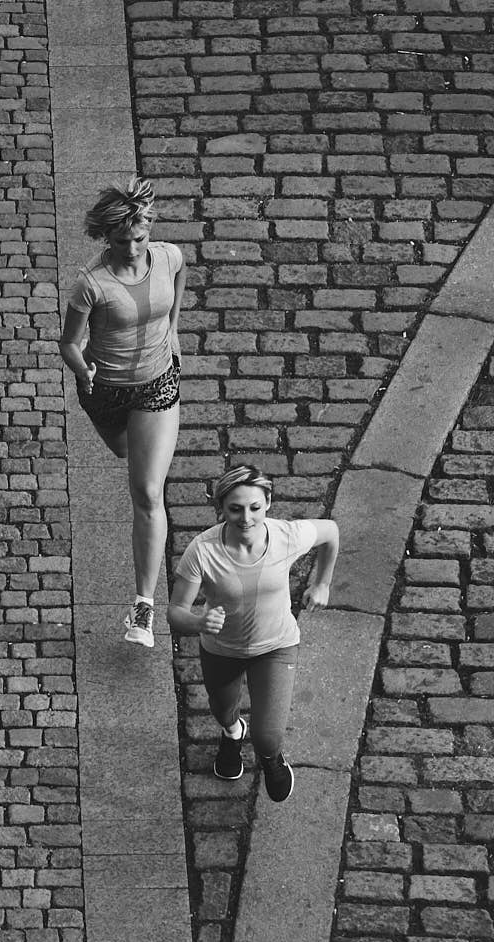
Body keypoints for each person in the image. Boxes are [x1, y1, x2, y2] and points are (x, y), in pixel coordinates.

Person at [60, 177, 186, 649]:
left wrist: (172, 330)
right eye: (121, 241)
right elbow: (69, 343)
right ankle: (150, 449)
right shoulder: (92, 285)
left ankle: (143, 606)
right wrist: (83, 369)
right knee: (125, 454)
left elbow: (179, 274)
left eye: (140, 237)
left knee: (147, 489)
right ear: (105, 239)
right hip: (104, 390)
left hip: (156, 384)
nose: (132, 248)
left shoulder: (168, 257)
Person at [168, 464, 339, 804]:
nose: (246, 518)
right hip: (221, 650)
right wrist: (200, 623)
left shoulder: (286, 536)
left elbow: (331, 531)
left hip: (276, 646)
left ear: (269, 503)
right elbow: (176, 612)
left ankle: (271, 759)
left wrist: (322, 583)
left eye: (255, 507)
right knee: (223, 712)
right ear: (221, 509)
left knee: (268, 737)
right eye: (235, 508)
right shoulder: (202, 552)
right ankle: (233, 734)